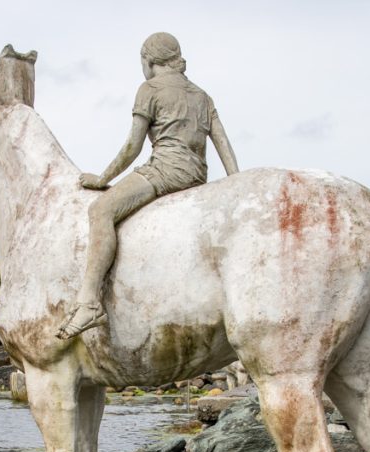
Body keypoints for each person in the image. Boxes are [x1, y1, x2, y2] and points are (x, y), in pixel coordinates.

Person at [57, 32, 239, 340]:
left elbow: (132, 147)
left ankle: (89, 302)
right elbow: (223, 145)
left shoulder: (149, 89)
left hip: (165, 171)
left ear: (149, 60)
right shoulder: (202, 95)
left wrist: (102, 179)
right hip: (197, 174)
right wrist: (236, 182)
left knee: (100, 210)